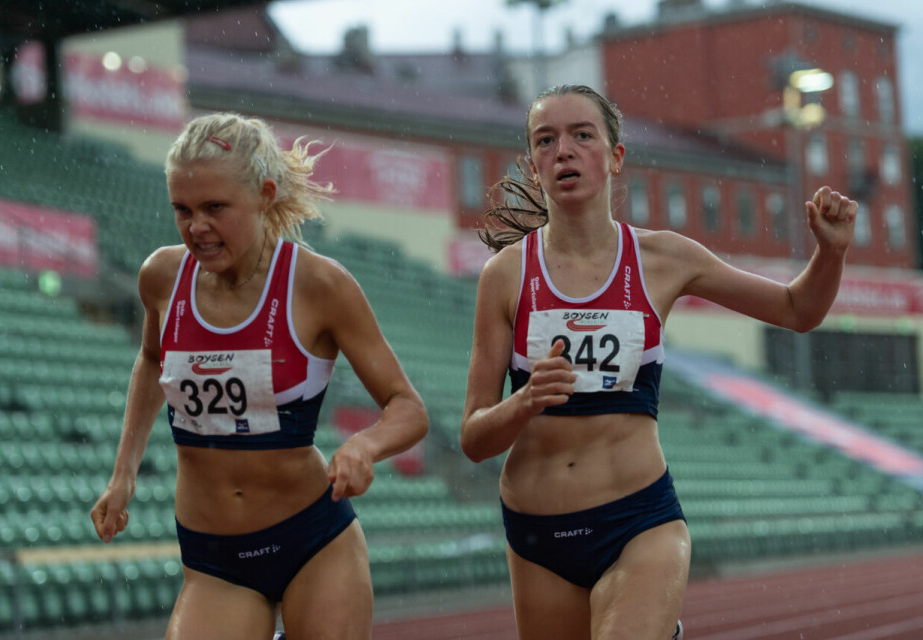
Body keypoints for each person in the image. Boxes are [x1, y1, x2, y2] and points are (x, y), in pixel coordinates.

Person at [460, 84, 856, 640]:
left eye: (582, 135)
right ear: (533, 164)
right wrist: (524, 401)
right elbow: (474, 437)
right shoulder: (505, 276)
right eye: (546, 141)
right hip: (536, 533)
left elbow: (796, 309)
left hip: (637, 520)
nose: (564, 151)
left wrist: (830, 252)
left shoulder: (664, 258)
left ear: (615, 156)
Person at [90, 113, 429, 640]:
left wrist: (364, 447)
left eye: (214, 208)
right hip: (214, 559)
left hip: (312, 543)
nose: (196, 226)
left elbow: (407, 407)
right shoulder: (160, 277)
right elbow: (153, 360)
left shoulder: (319, 285)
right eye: (182, 209)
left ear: (265, 194)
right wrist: (123, 474)